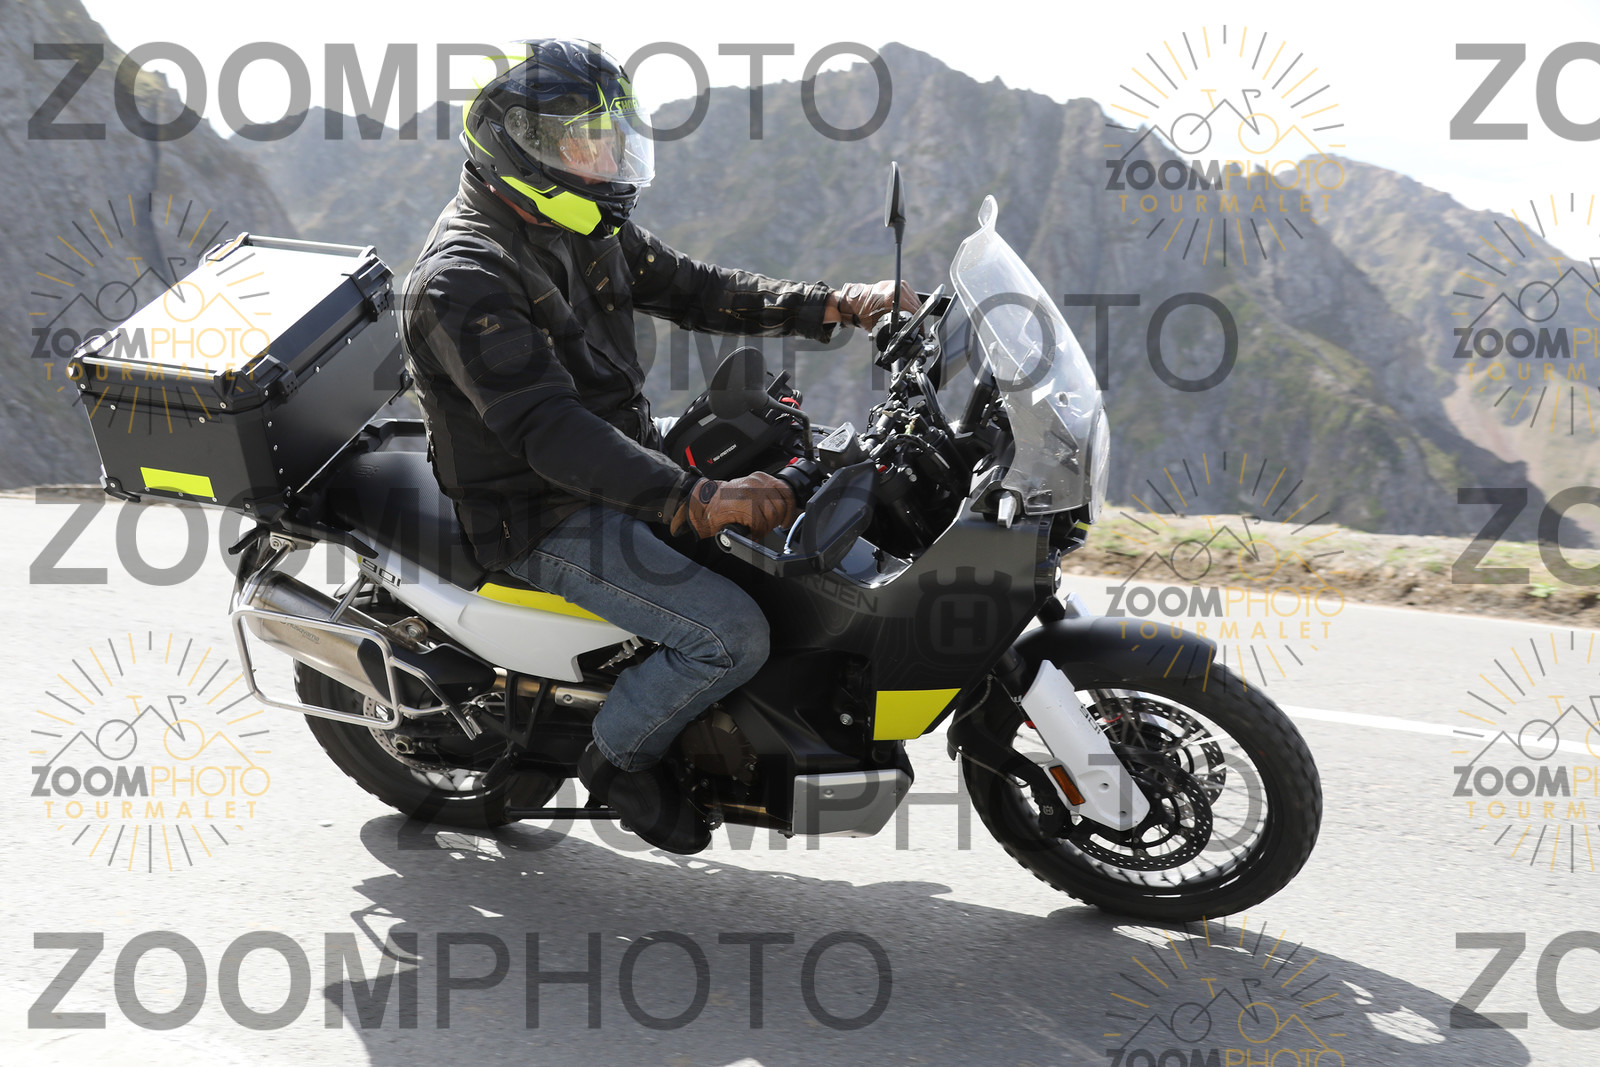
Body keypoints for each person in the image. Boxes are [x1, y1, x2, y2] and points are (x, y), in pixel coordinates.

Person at [401, 39, 916, 854]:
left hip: (621, 455)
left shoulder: (576, 222)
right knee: (730, 633)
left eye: (612, 136)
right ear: (520, 152)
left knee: (806, 492)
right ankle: (618, 757)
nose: (607, 158)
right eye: (585, 142)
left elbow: (694, 287)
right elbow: (549, 432)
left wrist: (834, 304)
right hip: (541, 512)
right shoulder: (465, 277)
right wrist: (693, 499)